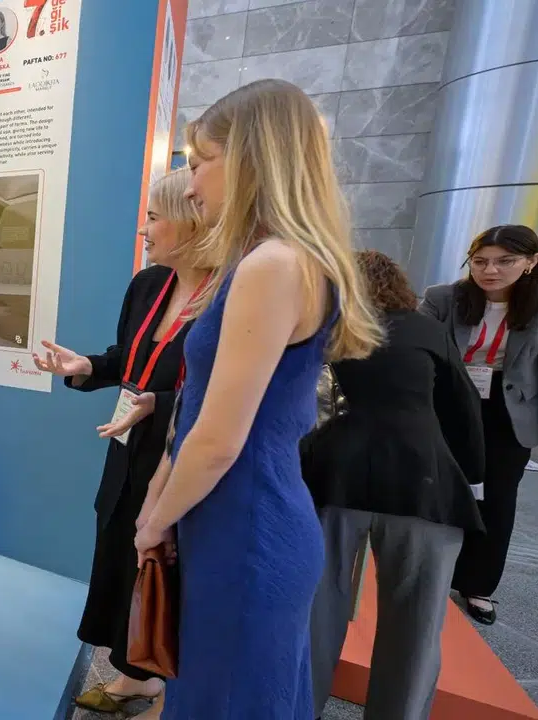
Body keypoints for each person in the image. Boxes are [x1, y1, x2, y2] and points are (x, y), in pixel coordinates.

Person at [134, 79, 382, 719]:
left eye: (202, 161)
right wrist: (162, 494)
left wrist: (156, 521)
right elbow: (199, 408)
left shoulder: (273, 265)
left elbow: (219, 438)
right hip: (234, 513)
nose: (191, 185)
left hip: (245, 525)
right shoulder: (276, 260)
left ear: (251, 157)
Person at [35, 169, 209, 719]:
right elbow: (126, 360)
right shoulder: (148, 284)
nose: (144, 230)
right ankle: (137, 676)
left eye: (153, 217)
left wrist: (160, 403)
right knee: (120, 555)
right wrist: (86, 367)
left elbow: (220, 394)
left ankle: (168, 688)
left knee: (167, 569)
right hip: (126, 443)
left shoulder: (228, 296)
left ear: (191, 220)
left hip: (179, 456)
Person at [303, 250, 485, 720]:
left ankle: (299, 706)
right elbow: (463, 410)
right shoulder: (427, 331)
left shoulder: (325, 328)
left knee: (314, 611)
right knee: (416, 623)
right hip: (423, 483)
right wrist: (471, 478)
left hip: (332, 477)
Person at [421, 224, 538, 625]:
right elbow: (417, 349)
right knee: (435, 489)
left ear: (530, 262)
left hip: (508, 409)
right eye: (480, 261)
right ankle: (425, 574)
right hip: (449, 400)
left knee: (496, 499)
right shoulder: (444, 297)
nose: (490, 271)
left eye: (504, 261)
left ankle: (478, 585)